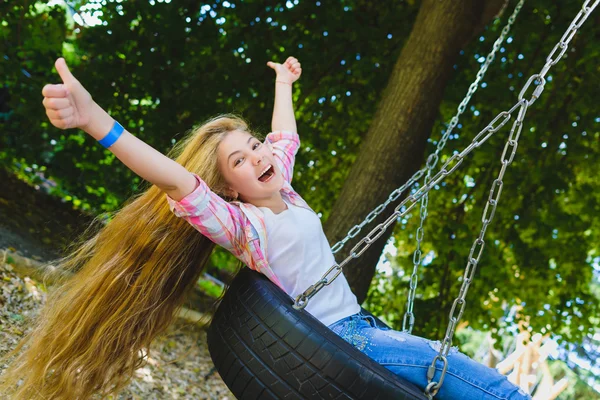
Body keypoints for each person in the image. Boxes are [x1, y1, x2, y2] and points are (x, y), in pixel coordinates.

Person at [0, 56, 531, 400]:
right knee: (463, 374)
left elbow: (284, 137)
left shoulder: (286, 192)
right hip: (347, 340)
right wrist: (97, 122)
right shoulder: (244, 225)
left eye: (252, 146)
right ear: (229, 187)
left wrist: (282, 83)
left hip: (364, 328)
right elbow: (176, 180)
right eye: (238, 161)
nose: (257, 156)